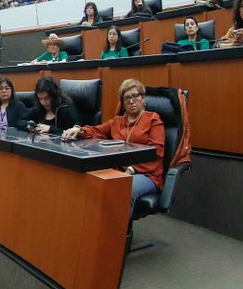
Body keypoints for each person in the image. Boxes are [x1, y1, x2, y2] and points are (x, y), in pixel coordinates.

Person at [62, 79, 165, 212]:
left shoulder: (153, 119)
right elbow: (96, 131)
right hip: (119, 171)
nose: (131, 101)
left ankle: (119, 232)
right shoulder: (117, 121)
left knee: (124, 190)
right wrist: (78, 129)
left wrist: (132, 169)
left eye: (135, 96)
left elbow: (156, 152)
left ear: (143, 98)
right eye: (127, 98)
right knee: (90, 182)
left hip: (147, 174)